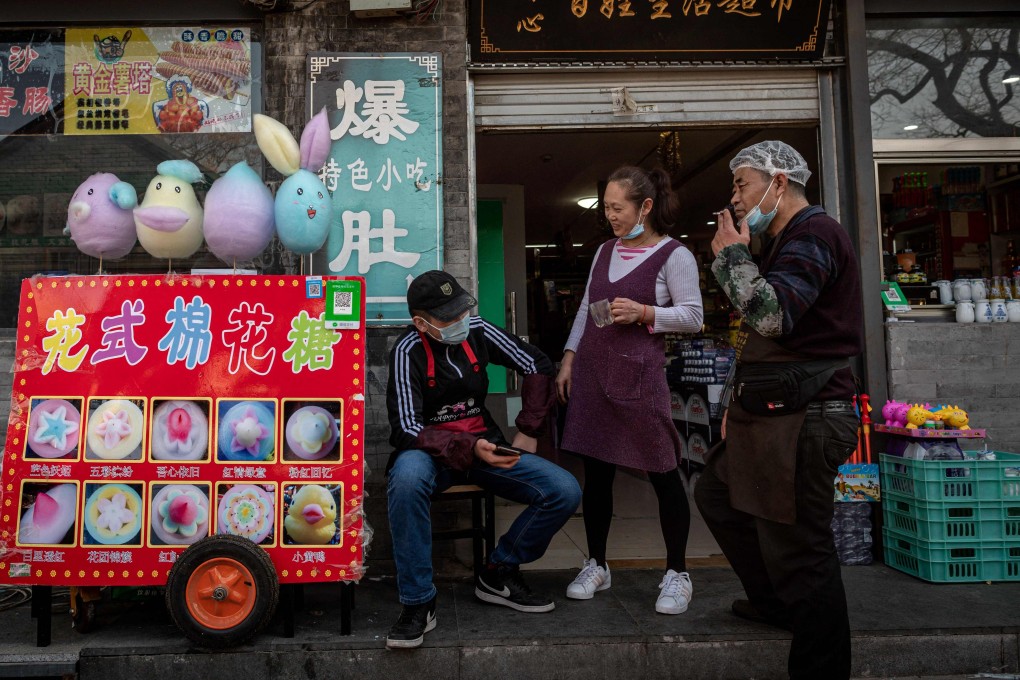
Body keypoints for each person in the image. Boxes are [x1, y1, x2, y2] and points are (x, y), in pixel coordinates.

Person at [694, 140, 863, 680]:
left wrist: (731, 256)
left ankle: (820, 664)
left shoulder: (814, 234)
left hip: (809, 416)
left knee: (801, 549)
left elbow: (772, 317)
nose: (735, 198)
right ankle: (775, 603)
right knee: (718, 493)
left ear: (779, 183)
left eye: (742, 184)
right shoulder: (784, 239)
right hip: (772, 409)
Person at [385, 270, 581, 649]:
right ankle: (418, 602)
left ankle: (499, 571)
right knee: (405, 482)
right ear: (421, 323)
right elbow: (406, 429)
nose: (460, 321)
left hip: (486, 446)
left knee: (563, 490)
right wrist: (466, 447)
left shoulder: (476, 329)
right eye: (448, 317)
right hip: (429, 454)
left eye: (461, 309)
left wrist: (528, 430)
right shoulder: (406, 351)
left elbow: (538, 364)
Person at [555, 166, 704, 614]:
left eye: (617, 208)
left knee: (662, 470)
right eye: (606, 208)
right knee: (596, 474)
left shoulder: (674, 255)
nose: (611, 217)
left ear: (646, 206)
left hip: (640, 380)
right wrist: (568, 357)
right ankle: (597, 563)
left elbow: (694, 317)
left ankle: (677, 573)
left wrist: (644, 312)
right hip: (594, 376)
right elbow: (586, 308)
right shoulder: (604, 251)